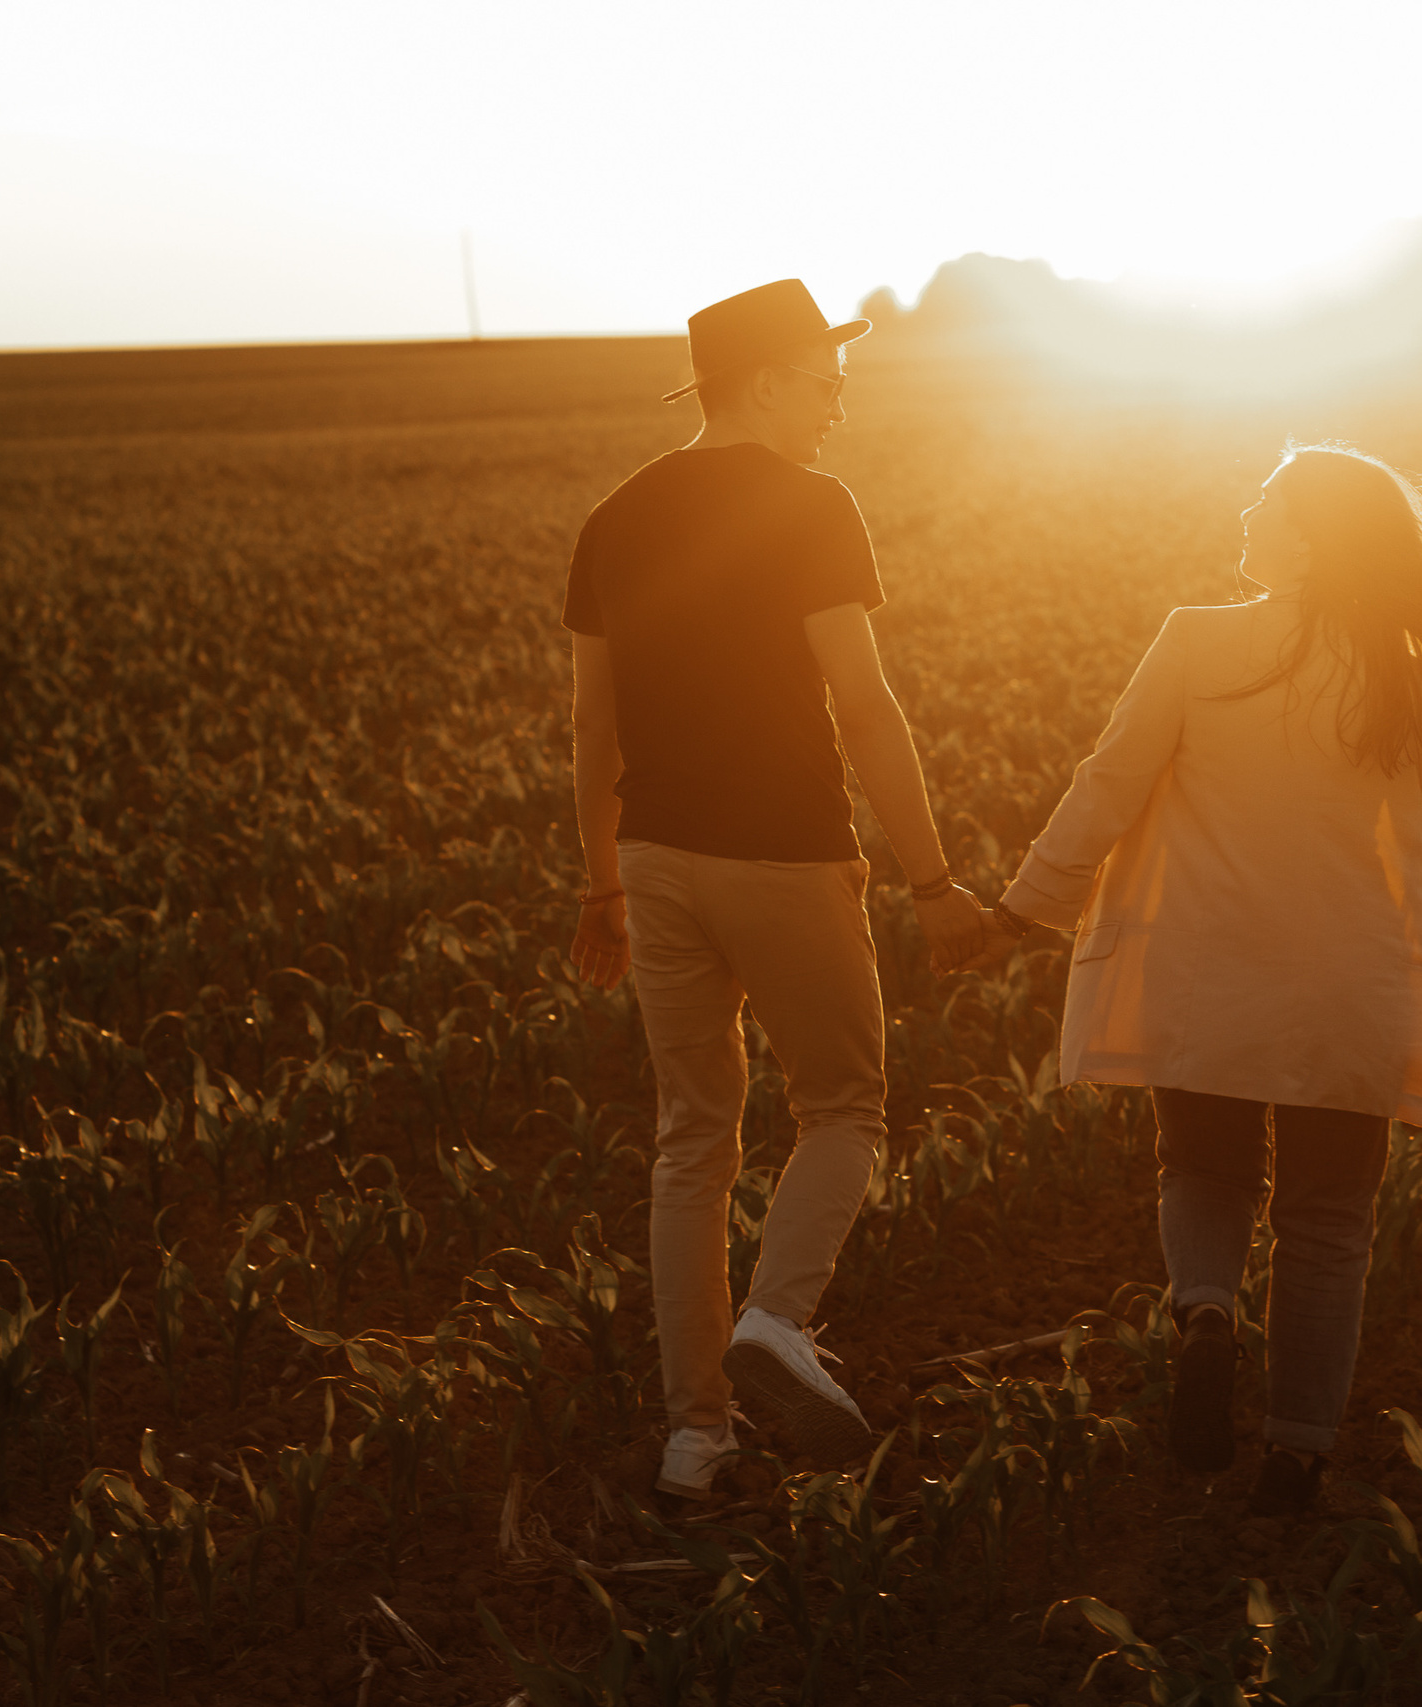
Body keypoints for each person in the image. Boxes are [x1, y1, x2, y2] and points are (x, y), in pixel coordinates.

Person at [987, 442, 1422, 1516]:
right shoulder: (1406, 677)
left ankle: (1207, 1308)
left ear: (1310, 537)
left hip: (1201, 970)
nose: (1246, 513)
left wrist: (1021, 905)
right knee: (1327, 1220)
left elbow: (1106, 783)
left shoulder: (1194, 640)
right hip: (1350, 991)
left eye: (1267, 501)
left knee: (1203, 1167)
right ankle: (1298, 1451)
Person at [561, 279, 993, 1501]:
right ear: (760, 383)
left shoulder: (613, 517)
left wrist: (600, 886)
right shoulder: (811, 504)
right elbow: (865, 705)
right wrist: (933, 879)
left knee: (691, 1142)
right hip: (787, 857)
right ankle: (777, 1320)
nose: (838, 407)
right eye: (823, 382)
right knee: (844, 1108)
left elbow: (592, 725)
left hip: (656, 862)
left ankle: (694, 1437)